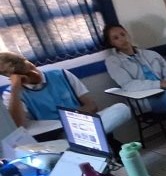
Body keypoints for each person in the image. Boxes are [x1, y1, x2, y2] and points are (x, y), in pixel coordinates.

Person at [0, 52, 131, 151]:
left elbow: (91, 105)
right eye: (28, 74)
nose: (35, 73)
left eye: (31, 68)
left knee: (121, 108)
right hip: (58, 135)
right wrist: (16, 89)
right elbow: (18, 126)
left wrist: (70, 118)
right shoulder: (12, 94)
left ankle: (80, 141)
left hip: (85, 123)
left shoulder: (61, 74)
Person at [103, 24, 166, 133]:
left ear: (128, 34)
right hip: (147, 100)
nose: (122, 39)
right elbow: (129, 85)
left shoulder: (151, 54)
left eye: (123, 34)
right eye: (116, 38)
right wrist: (160, 84)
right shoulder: (113, 61)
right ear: (112, 43)